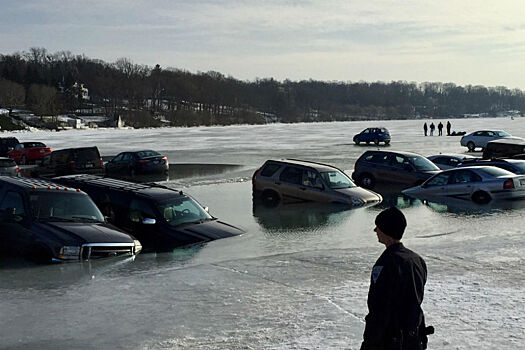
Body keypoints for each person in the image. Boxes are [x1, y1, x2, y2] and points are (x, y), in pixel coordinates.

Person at [360, 207, 432, 350]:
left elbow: (380, 308)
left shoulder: (386, 263)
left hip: (391, 340)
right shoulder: (417, 260)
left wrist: (369, 343)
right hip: (413, 337)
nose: (375, 230)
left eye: (378, 227)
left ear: (387, 231)